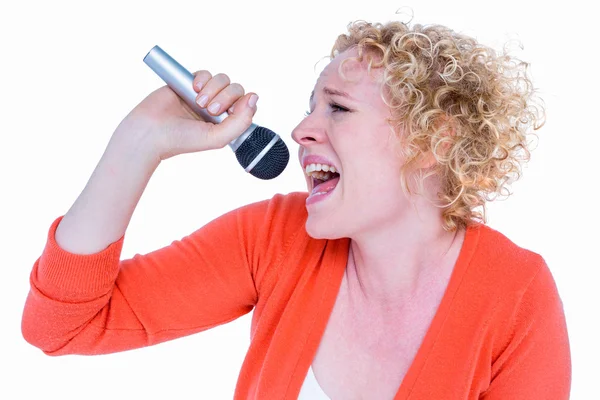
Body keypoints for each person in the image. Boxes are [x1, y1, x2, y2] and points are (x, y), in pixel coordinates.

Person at [21, 19, 571, 400]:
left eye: (338, 108)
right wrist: (138, 141)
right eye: (310, 107)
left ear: (435, 141)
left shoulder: (515, 293)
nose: (302, 130)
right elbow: (62, 326)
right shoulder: (275, 237)